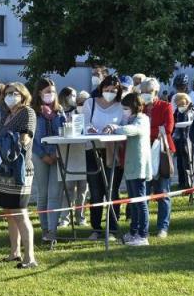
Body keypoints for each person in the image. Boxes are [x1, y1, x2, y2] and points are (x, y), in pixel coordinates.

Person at [0, 82, 38, 268]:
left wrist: (0, 144)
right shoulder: (7, 115)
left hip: (20, 170)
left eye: (14, 93)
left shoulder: (27, 113)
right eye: (7, 93)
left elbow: (25, 138)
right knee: (9, 212)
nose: (10, 96)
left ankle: (30, 257)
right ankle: (14, 252)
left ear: (23, 94)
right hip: (3, 169)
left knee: (20, 213)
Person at [104, 93, 152, 246]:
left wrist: (115, 128)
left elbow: (132, 130)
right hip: (131, 166)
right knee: (133, 201)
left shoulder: (142, 119)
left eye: (125, 108)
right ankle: (133, 232)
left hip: (138, 167)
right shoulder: (130, 119)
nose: (124, 111)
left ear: (133, 107)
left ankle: (143, 235)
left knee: (140, 201)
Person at [82, 74, 125, 241]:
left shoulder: (121, 106)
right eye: (107, 89)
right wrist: (90, 129)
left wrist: (114, 126)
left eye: (114, 90)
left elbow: (126, 124)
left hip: (113, 151)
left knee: (112, 190)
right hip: (92, 149)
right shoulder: (90, 103)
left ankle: (113, 228)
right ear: (101, 88)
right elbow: (83, 123)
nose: (110, 92)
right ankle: (96, 229)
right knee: (95, 190)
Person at [140, 78, 175, 238]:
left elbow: (167, 129)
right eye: (144, 92)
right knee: (144, 191)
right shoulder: (139, 108)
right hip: (143, 150)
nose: (147, 95)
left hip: (162, 150)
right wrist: (153, 129)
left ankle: (163, 227)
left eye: (150, 92)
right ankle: (143, 227)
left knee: (162, 190)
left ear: (156, 92)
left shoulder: (166, 106)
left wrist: (146, 130)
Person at [31, 78, 65, 246]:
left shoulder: (60, 112)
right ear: (39, 93)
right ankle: (44, 229)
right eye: (47, 92)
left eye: (52, 91)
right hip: (39, 156)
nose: (50, 95)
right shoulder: (33, 112)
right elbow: (30, 138)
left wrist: (58, 153)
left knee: (55, 193)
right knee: (43, 193)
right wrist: (43, 155)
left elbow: (66, 133)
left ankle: (52, 231)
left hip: (58, 155)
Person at [57, 87, 88, 227]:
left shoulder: (83, 113)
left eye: (76, 96)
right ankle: (64, 218)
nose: (75, 100)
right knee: (68, 187)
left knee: (83, 188)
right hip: (67, 153)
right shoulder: (61, 113)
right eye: (73, 96)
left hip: (83, 152)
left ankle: (80, 217)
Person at [172, 92, 194, 191]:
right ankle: (184, 183)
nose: (178, 106)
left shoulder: (190, 111)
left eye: (179, 103)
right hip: (181, 141)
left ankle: (190, 183)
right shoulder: (179, 112)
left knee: (188, 163)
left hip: (188, 141)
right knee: (182, 163)